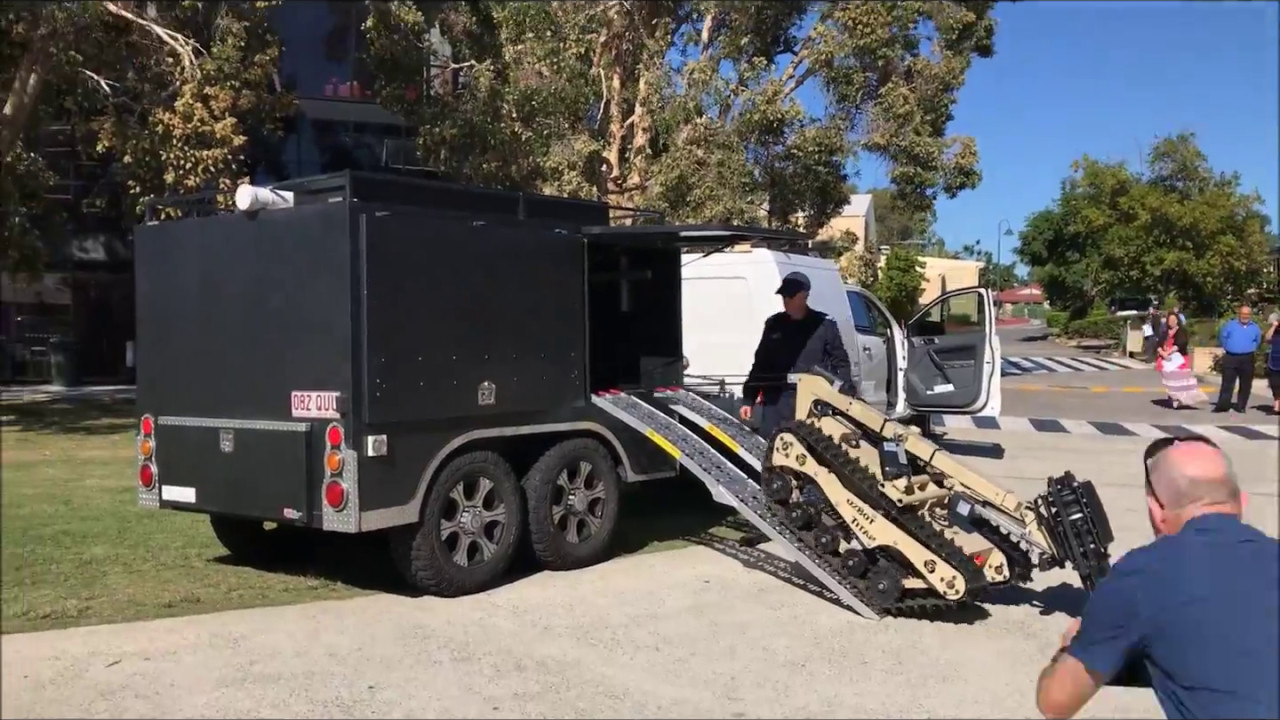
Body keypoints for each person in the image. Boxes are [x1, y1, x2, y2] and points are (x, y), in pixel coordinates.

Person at [1034, 435, 1279, 720]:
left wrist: (1068, 646)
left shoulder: (1141, 574)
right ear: (1242, 502)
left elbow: (1054, 703)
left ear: (1155, 508)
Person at [739, 271, 852, 438]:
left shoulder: (823, 325)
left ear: (804, 296)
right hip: (776, 401)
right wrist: (749, 399)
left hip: (811, 402)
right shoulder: (774, 325)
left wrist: (844, 397)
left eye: (791, 296)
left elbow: (841, 364)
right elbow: (761, 364)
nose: (786, 301)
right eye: (784, 296)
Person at [1213, 304, 1262, 413]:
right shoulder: (1230, 325)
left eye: (1247, 314)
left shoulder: (1255, 327)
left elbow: (1258, 341)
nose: (1245, 316)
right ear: (1239, 314)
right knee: (1227, 383)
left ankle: (1241, 406)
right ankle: (1223, 405)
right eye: (1243, 314)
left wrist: (1250, 348)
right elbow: (1222, 337)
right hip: (1231, 357)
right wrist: (1228, 348)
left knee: (1246, 383)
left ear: (1250, 315)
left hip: (1247, 358)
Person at [1154, 312, 1205, 409]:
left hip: (1178, 359)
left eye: (1174, 320)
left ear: (1177, 321)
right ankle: (1172, 397)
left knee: (1180, 381)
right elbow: (1158, 344)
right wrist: (1162, 353)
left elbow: (1180, 344)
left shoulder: (1182, 331)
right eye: (1170, 320)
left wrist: (1168, 352)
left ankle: (1180, 399)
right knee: (1169, 381)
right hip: (1166, 360)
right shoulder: (1164, 332)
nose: (1171, 322)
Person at [1265, 311, 1280, 415]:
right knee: (1275, 385)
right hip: (1274, 361)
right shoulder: (1274, 331)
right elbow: (1267, 338)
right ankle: (1276, 407)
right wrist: (1274, 326)